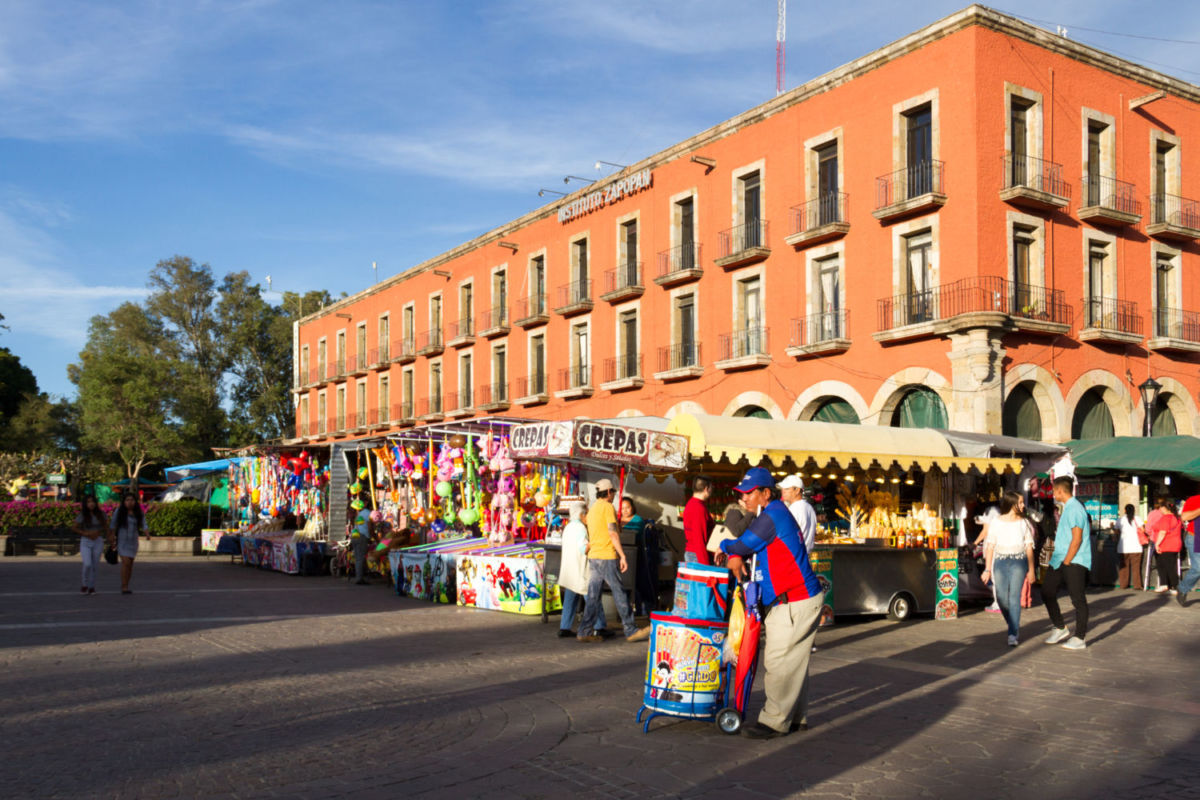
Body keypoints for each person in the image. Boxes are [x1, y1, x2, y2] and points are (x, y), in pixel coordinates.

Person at [719, 467, 824, 739]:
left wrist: (729, 549)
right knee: (795, 661)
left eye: (749, 494)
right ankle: (796, 718)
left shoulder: (773, 514)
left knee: (778, 661)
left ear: (766, 493)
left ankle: (774, 722)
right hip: (799, 598)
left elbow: (744, 544)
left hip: (794, 600)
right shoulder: (771, 513)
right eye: (742, 495)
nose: (744, 499)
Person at [577, 478, 650, 643]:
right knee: (619, 593)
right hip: (606, 556)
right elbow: (612, 533)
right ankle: (630, 630)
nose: (614, 496)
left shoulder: (593, 509)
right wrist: (622, 555)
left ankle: (584, 630)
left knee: (594, 595)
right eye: (614, 492)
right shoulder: (607, 507)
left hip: (594, 556)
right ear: (609, 492)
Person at [979, 491, 1036, 646]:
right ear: (1012, 504)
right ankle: (1012, 623)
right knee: (1002, 598)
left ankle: (1013, 633)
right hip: (1001, 561)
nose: (1023, 505)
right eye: (1021, 502)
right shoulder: (997, 522)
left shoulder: (1024, 522)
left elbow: (1029, 548)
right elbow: (990, 546)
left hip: (1019, 561)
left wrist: (1031, 569)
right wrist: (987, 569)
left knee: (1014, 598)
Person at [1041, 477, 1091, 650]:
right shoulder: (1067, 509)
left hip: (1073, 560)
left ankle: (1079, 637)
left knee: (1077, 598)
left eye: (1054, 491)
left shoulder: (1075, 509)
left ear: (1061, 491)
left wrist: (1068, 560)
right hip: (1059, 558)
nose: (1053, 494)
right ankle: (1060, 627)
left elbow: (1077, 538)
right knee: (1047, 591)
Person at [557, 501, 608, 637]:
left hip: (569, 571)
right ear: (581, 515)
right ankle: (600, 626)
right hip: (580, 570)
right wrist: (597, 540)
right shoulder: (580, 528)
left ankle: (565, 627)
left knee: (570, 598)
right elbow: (583, 548)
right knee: (592, 597)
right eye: (587, 514)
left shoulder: (568, 527)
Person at [621, 496, 659, 615]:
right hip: (621, 556)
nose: (625, 510)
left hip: (636, 557)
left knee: (637, 584)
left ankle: (641, 608)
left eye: (628, 507)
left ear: (633, 508)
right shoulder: (617, 519)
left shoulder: (638, 520)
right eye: (622, 508)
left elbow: (634, 533)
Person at [108, 493, 146, 595]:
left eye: (132, 500)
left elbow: (144, 523)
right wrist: (111, 536)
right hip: (122, 541)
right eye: (127, 500)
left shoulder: (138, 512)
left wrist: (146, 532)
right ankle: (124, 586)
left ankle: (126, 584)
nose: (130, 502)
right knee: (126, 562)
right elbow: (113, 524)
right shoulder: (119, 512)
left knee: (130, 564)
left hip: (133, 541)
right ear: (124, 502)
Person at [1145, 497, 1182, 595]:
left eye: (1161, 508)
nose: (1160, 510)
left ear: (1165, 508)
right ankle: (1164, 584)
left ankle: (1176, 586)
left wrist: (1157, 544)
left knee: (1169, 566)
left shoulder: (1167, 518)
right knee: (1162, 564)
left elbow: (1163, 532)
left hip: (1166, 544)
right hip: (1174, 544)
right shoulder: (1176, 517)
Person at [72, 495, 108, 595]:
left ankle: (92, 587)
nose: (91, 504)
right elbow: (74, 527)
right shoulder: (83, 515)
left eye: (92, 501)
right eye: (88, 502)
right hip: (86, 541)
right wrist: (85, 533)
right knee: (87, 564)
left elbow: (106, 527)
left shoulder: (101, 514)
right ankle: (84, 584)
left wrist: (109, 537)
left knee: (95, 565)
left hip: (98, 541)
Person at [777, 474, 817, 553]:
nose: (783, 491)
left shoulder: (795, 509)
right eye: (782, 489)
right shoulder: (809, 508)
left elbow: (787, 536)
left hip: (795, 556)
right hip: (805, 555)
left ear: (797, 490)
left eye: (787, 489)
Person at [682, 475, 714, 565]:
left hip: (694, 554)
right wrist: (705, 565)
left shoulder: (693, 504)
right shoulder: (698, 508)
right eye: (712, 487)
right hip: (697, 555)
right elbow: (699, 539)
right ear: (706, 488)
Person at [1177, 492, 1200, 606]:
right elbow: (1184, 517)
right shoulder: (1194, 500)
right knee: (1198, 568)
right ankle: (1182, 589)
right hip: (1195, 537)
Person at [1116, 504, 1145, 590]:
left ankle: (1123, 585)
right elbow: (1143, 530)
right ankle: (1137, 585)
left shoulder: (1120, 519)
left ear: (1125, 510)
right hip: (1136, 546)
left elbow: (1116, 532)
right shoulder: (1138, 518)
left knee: (1124, 567)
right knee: (1136, 567)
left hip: (1123, 547)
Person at [349, 506, 374, 585]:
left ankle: (359, 577)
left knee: (357, 558)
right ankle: (359, 579)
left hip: (355, 536)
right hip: (361, 536)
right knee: (360, 558)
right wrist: (371, 536)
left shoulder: (359, 514)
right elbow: (369, 526)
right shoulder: (367, 513)